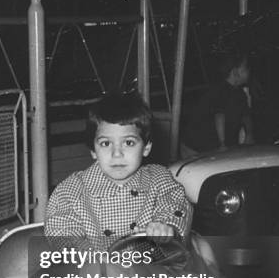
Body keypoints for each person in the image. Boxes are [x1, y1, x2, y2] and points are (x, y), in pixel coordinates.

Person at [45, 91, 192, 247]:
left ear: (146, 147)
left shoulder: (158, 178)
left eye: (128, 143)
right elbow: (61, 228)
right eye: (106, 144)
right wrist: (84, 253)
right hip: (97, 268)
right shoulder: (72, 189)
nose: (117, 154)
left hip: (150, 266)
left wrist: (165, 225)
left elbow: (175, 204)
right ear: (93, 150)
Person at [181, 54, 254, 156]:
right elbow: (219, 116)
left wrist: (249, 134)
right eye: (245, 68)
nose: (249, 71)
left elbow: (246, 115)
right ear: (235, 72)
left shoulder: (240, 94)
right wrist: (222, 144)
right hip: (196, 148)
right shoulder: (219, 90)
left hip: (212, 147)